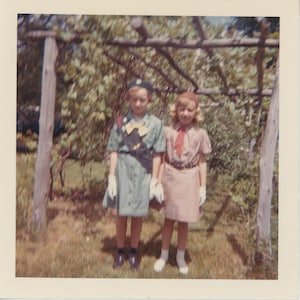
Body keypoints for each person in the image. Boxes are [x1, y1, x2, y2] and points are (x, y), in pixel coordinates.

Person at [102, 78, 165, 271]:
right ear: (129, 100)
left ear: (149, 100)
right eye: (134, 100)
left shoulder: (156, 124)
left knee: (137, 215)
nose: (138, 104)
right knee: (121, 214)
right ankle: (120, 251)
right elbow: (113, 149)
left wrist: (156, 180)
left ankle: (133, 252)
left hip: (143, 174)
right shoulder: (121, 122)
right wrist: (111, 177)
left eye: (142, 100)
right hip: (122, 171)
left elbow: (158, 154)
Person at [153, 91, 212, 274]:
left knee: (184, 221)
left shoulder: (200, 134)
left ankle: (180, 256)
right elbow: (162, 158)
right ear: (176, 110)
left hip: (189, 177)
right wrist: (158, 182)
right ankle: (163, 255)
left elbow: (202, 161)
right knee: (169, 219)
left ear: (195, 112)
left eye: (190, 110)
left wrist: (202, 186)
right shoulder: (168, 131)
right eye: (182, 109)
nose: (185, 113)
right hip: (170, 176)